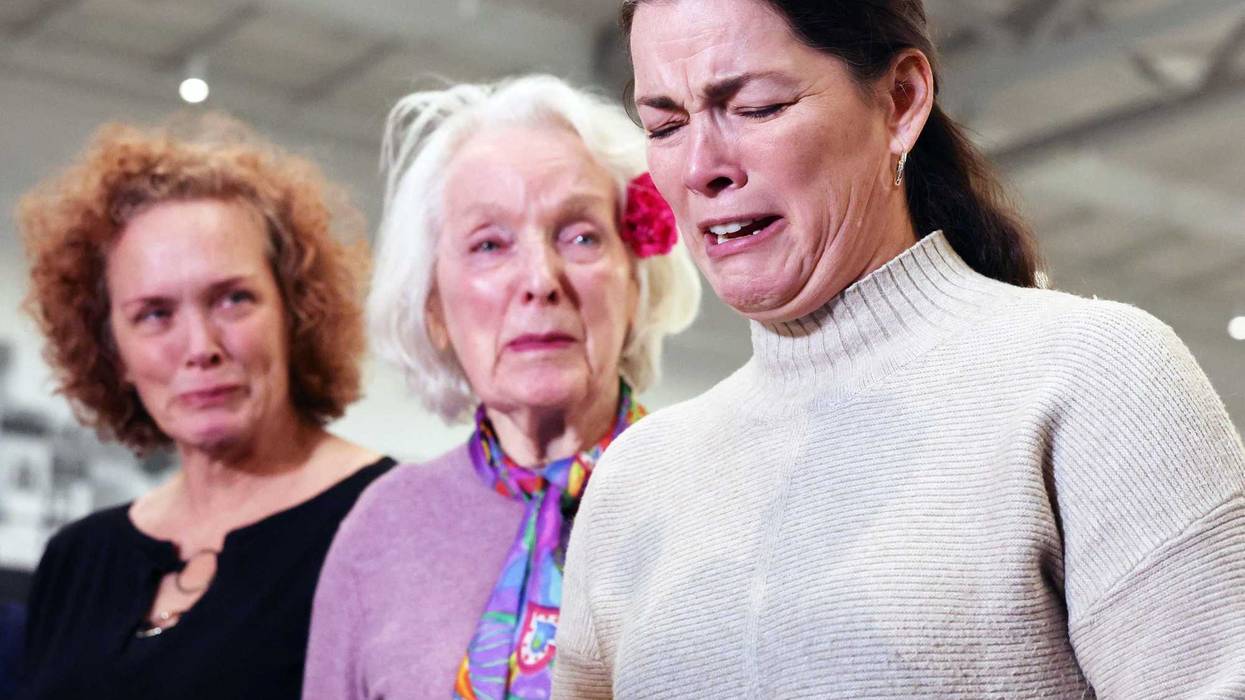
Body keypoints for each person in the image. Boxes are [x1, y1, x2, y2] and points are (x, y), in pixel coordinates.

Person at [553, 1, 1245, 697]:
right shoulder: (634, 481)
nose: (701, 167)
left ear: (901, 102)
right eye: (665, 126)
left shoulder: (1093, 377)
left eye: (758, 107)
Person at [301, 74, 701, 699]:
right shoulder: (381, 529)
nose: (540, 279)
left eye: (581, 236)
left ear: (635, 281)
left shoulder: (713, 498)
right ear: (434, 304)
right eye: (489, 244)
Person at [15, 116, 393, 700]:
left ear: (296, 314)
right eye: (155, 314)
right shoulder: (78, 559)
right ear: (109, 348)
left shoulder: (388, 525)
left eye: (233, 299)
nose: (200, 347)